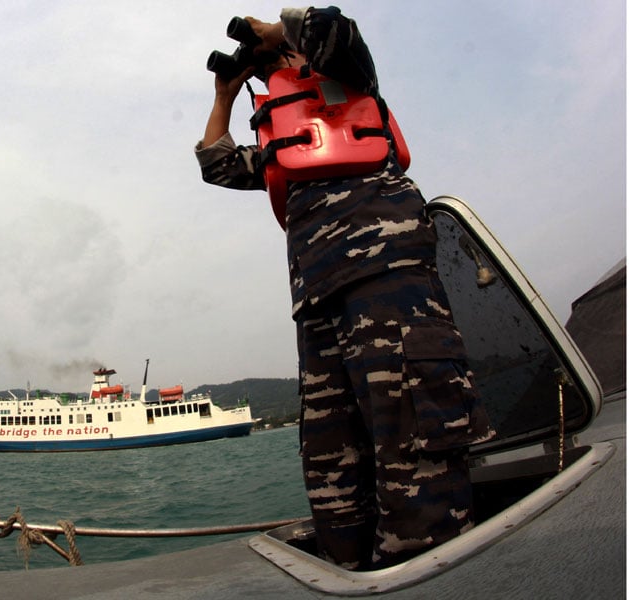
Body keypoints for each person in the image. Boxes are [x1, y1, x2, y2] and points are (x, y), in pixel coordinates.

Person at [195, 7, 495, 570]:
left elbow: (330, 25)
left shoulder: (352, 77)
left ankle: (437, 570)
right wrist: (226, 94)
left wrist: (271, 32)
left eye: (283, 58)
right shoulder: (281, 140)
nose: (276, 67)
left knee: (412, 434)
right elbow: (216, 165)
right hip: (316, 299)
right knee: (334, 459)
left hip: (390, 276)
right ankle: (353, 567)